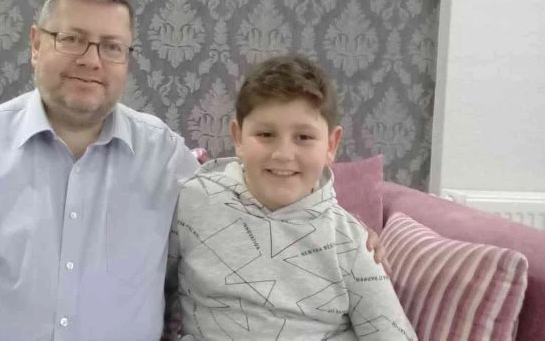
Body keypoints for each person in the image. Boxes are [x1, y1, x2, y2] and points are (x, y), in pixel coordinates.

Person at [0, 0, 383, 341]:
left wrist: (341, 226)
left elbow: (250, 200)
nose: (92, 60)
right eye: (73, 39)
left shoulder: (166, 158)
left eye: (111, 46)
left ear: (127, 59)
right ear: (36, 44)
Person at [164, 55, 416, 340]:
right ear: (238, 137)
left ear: (331, 145)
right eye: (266, 134)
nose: (283, 154)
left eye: (304, 137)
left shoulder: (352, 243)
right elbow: (151, 290)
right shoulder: (194, 202)